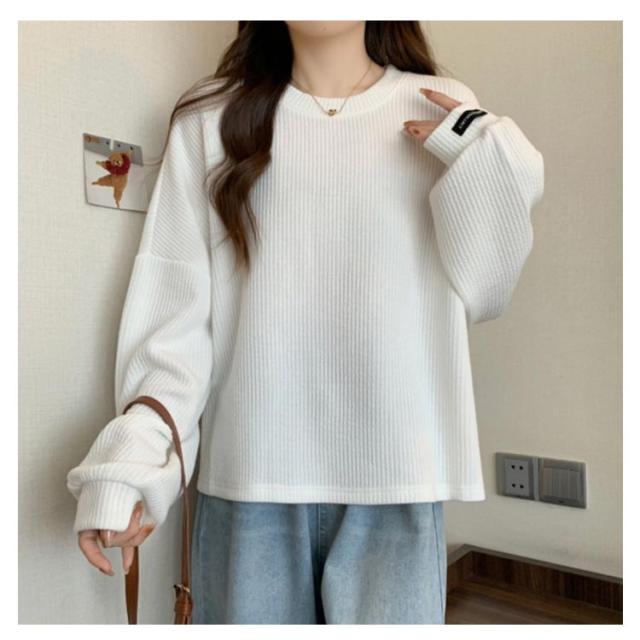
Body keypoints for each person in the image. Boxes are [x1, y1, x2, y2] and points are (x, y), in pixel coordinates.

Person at [66, 20, 544, 624]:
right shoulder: (210, 119)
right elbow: (176, 321)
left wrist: (485, 153)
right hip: (250, 483)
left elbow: (487, 290)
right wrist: (131, 465)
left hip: (397, 480)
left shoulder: (442, 108)